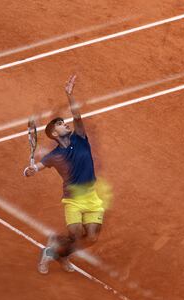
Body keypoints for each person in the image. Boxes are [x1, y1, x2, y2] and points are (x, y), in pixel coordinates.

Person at [24, 75, 106, 274]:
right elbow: (37, 169)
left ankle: (62, 253)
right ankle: (50, 252)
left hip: (91, 197)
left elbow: (77, 117)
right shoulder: (54, 155)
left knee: (92, 237)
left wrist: (69, 95)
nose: (65, 124)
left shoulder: (80, 137)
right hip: (73, 200)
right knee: (76, 233)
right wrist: (30, 170)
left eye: (63, 122)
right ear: (53, 133)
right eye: (60, 124)